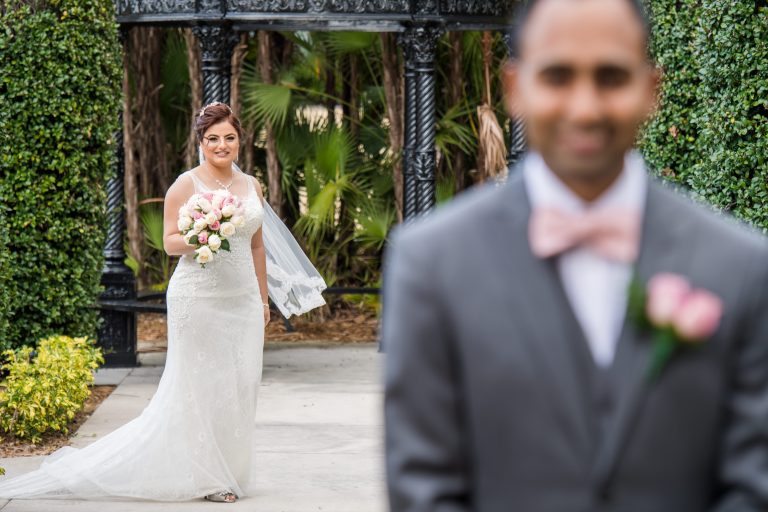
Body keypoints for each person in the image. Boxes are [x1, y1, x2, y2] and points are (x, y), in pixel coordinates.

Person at [381, 0, 768, 510]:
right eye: (558, 76)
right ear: (516, 88)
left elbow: (754, 483)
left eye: (611, 77)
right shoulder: (430, 263)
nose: (585, 108)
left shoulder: (742, 265)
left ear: (650, 90)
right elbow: (423, 486)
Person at [0, 102, 326, 503]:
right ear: (201, 143)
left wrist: (262, 300)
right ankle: (210, 479)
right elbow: (170, 243)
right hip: (198, 297)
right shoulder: (186, 185)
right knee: (201, 387)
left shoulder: (252, 186)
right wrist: (206, 233)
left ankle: (231, 469)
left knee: (241, 385)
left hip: (241, 300)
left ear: (240, 141)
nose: (221, 145)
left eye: (229, 138)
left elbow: (257, 246)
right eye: (213, 139)